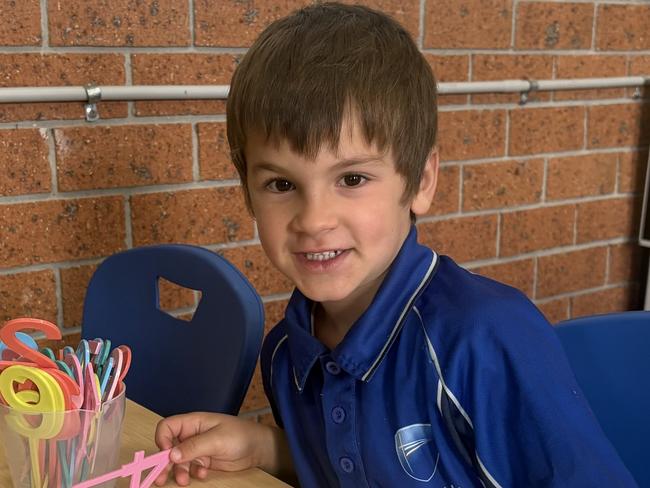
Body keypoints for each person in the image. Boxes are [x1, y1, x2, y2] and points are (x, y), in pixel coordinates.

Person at [154, 3, 636, 487]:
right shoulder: (285, 354)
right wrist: (266, 448)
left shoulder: (484, 338)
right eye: (281, 185)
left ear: (421, 181)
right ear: (248, 196)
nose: (314, 220)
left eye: (353, 178)